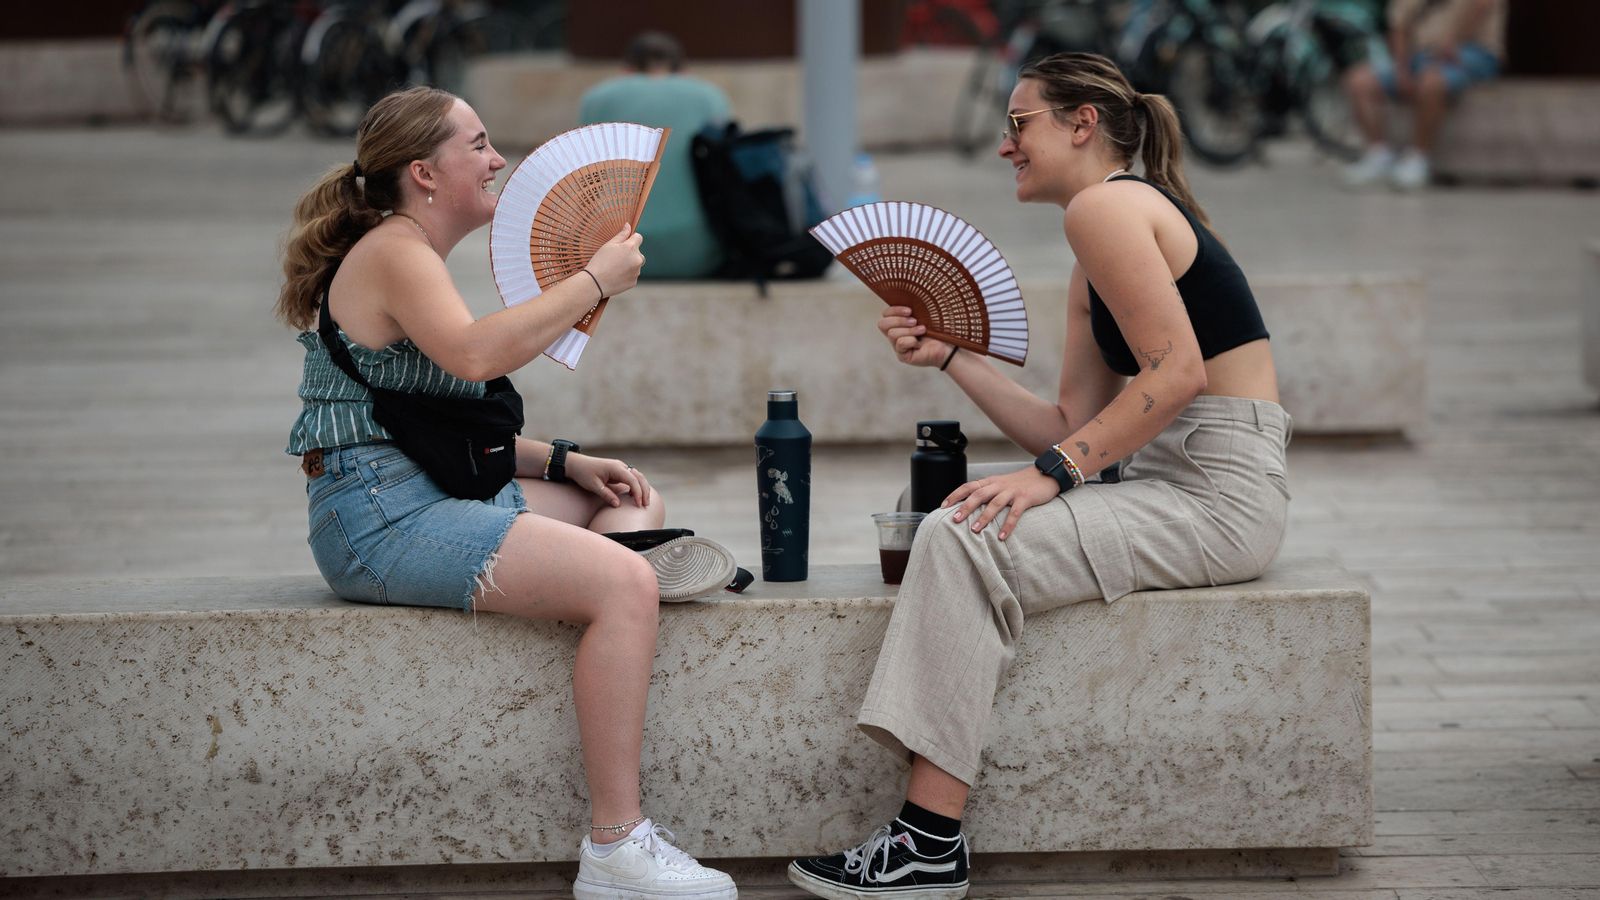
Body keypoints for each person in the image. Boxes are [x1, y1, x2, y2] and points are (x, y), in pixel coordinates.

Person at [787, 52, 1291, 899]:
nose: (1004, 146)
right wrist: (951, 355)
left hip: (1217, 494)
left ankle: (926, 842)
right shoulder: (1105, 230)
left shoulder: (1105, 208)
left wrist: (1053, 476)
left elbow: (1176, 377)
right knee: (972, 504)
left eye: (1019, 125)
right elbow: (1065, 427)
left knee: (964, 534)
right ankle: (924, 839)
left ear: (1081, 123)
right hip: (1180, 480)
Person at [278, 86, 738, 900]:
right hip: (377, 517)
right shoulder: (395, 248)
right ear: (424, 171)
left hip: (418, 486)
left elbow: (425, 418)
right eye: (480, 146)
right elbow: (473, 356)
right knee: (626, 576)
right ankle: (616, 848)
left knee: (630, 504)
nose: (499, 162)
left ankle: (604, 591)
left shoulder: (408, 250)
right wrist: (594, 279)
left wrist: (561, 462)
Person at [578, 31, 732, 278]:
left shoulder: (597, 98)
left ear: (626, 69)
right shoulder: (710, 96)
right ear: (684, 70)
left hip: (614, 253)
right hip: (697, 250)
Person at [1341, 0, 1506, 190]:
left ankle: (1418, 159)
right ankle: (1379, 155)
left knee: (1431, 81)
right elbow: (1399, 25)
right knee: (1358, 80)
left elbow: (1483, 5)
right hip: (1420, 56)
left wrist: (1452, 42)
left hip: (1474, 52)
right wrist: (1402, 69)